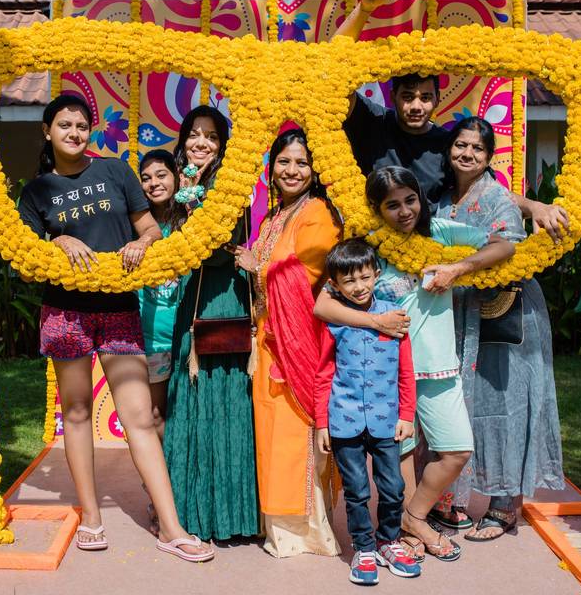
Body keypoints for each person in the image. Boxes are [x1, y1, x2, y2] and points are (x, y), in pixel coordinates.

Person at [18, 95, 212, 561]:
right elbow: (26, 265)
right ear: (47, 131)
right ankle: (91, 516)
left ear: (92, 130)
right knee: (78, 413)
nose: (74, 133)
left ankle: (171, 527)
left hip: (120, 309)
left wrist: (143, 243)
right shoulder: (35, 192)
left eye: (82, 125)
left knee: (140, 418)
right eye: (64, 124)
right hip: (66, 313)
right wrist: (58, 239)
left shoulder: (115, 172)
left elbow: (148, 227)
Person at [315, 166, 515, 561]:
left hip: (439, 365)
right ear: (377, 209)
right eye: (392, 205)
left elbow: (504, 245)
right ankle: (404, 529)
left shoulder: (440, 233)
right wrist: (376, 321)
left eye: (410, 200)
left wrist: (458, 268)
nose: (405, 211)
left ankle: (414, 517)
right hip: (385, 373)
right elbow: (323, 304)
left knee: (457, 450)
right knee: (401, 454)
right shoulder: (369, 246)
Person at [336, 0, 571, 244]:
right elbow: (333, 68)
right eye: (408, 96)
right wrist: (365, 8)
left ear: (437, 100)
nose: (416, 106)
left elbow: (487, 191)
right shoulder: (372, 122)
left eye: (425, 97)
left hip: (424, 258)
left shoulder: (447, 145)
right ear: (393, 96)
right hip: (370, 251)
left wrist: (536, 207)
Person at [438, 116, 564, 542]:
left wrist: (461, 267)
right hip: (459, 313)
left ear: (490, 157)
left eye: (477, 148)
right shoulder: (441, 196)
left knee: (502, 403)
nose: (467, 154)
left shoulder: (496, 197)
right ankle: (451, 499)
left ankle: (504, 506)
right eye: (460, 145)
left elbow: (506, 244)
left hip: (503, 311)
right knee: (464, 403)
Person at [231, 128, 342, 558]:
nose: (292, 170)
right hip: (268, 341)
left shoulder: (316, 213)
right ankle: (277, 526)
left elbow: (306, 273)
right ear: (271, 167)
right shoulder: (276, 215)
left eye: (301, 162)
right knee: (272, 431)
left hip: (298, 341)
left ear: (315, 171)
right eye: (284, 161)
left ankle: (306, 533)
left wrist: (255, 263)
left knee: (295, 431)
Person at [163, 105, 261, 541]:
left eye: (211, 137)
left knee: (223, 397)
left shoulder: (230, 184)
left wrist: (195, 200)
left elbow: (220, 249)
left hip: (222, 298)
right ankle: (185, 510)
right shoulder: (179, 178)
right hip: (192, 298)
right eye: (194, 134)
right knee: (190, 399)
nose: (201, 143)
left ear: (223, 146)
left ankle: (229, 514)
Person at [314, 238, 421, 586]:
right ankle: (363, 546)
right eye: (349, 281)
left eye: (364, 277)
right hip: (344, 421)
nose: (359, 287)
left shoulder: (394, 317)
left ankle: (388, 540)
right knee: (357, 490)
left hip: (387, 421)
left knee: (393, 488)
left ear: (376, 274)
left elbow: (407, 371)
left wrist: (406, 414)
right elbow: (323, 374)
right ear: (335, 284)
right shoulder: (335, 321)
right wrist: (322, 423)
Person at [137, 149, 186, 536]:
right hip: (149, 337)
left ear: (176, 176)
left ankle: (185, 494)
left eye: (161, 174)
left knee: (184, 416)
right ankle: (158, 496)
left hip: (187, 337)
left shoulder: (192, 219)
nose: (154, 183)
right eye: (146, 178)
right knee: (156, 417)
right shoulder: (135, 223)